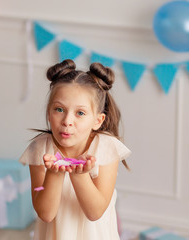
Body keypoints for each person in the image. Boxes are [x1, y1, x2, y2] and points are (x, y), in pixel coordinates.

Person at [19, 59, 131, 240]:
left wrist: (79, 176)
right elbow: (45, 213)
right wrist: (54, 174)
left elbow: (95, 212)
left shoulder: (106, 148)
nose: (67, 121)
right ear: (49, 112)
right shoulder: (40, 149)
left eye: (80, 113)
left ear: (97, 120)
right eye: (59, 109)